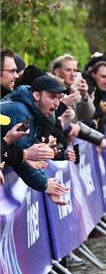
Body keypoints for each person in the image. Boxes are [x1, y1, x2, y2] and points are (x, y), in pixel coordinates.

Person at [0, 74, 72, 205]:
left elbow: (25, 155)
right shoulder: (22, 112)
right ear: (36, 96)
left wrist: (47, 183)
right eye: (52, 97)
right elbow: (21, 160)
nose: (57, 104)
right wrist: (45, 184)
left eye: (59, 98)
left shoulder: (32, 111)